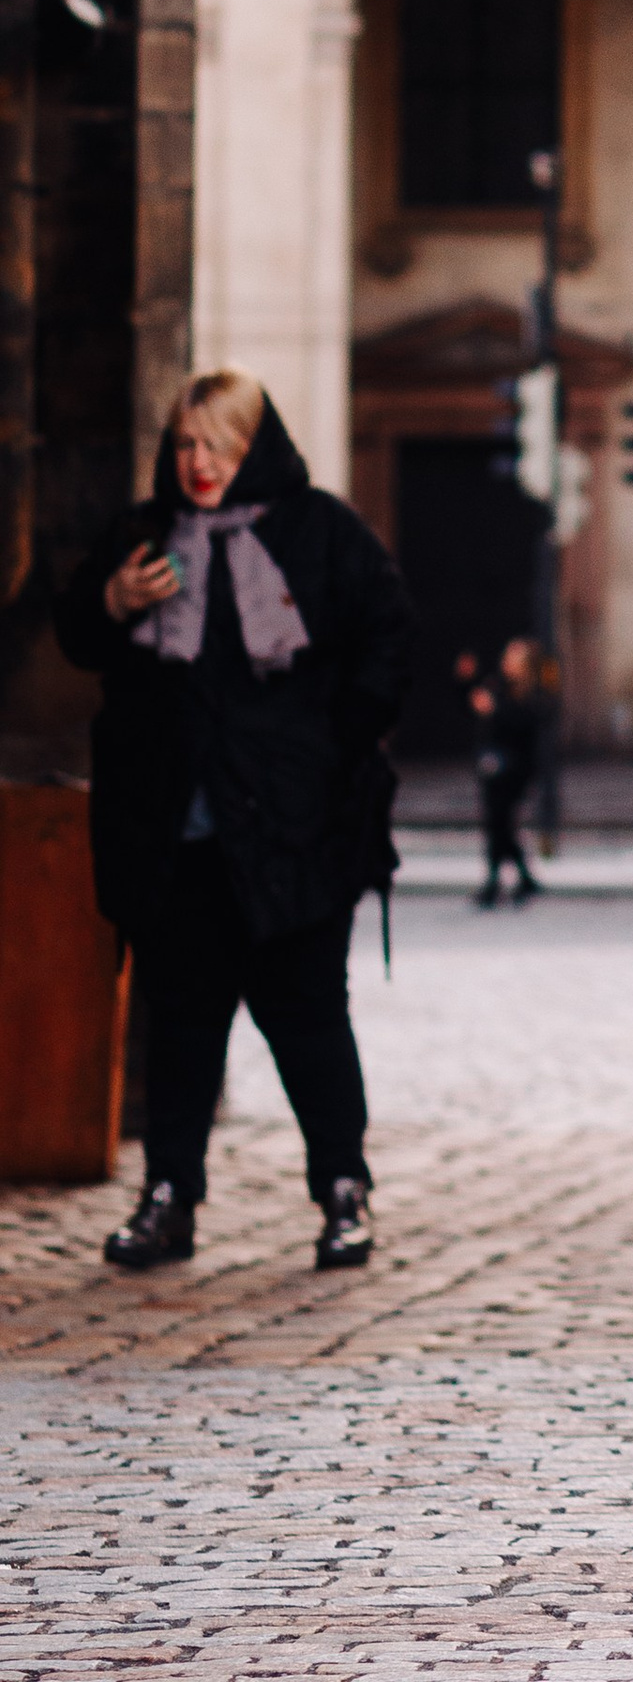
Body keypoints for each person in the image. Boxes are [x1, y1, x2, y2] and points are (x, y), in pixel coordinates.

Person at [55, 367, 412, 1274]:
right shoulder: (143, 535)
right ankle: (169, 1195)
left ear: (257, 446)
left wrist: (329, 749)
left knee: (308, 1019)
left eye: (220, 443)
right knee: (181, 1023)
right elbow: (75, 635)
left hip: (295, 831)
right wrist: (114, 602)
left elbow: (387, 636)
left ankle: (342, 1188)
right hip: (178, 832)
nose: (200, 461)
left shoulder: (319, 530)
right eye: (186, 443)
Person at [467, 639, 544, 910]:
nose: (507, 663)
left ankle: (496, 882)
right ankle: (520, 878)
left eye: (514, 659)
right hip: (493, 768)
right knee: (500, 825)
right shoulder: (497, 685)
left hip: (515, 769)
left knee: (499, 824)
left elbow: (524, 724)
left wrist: (494, 710)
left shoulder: (531, 692)